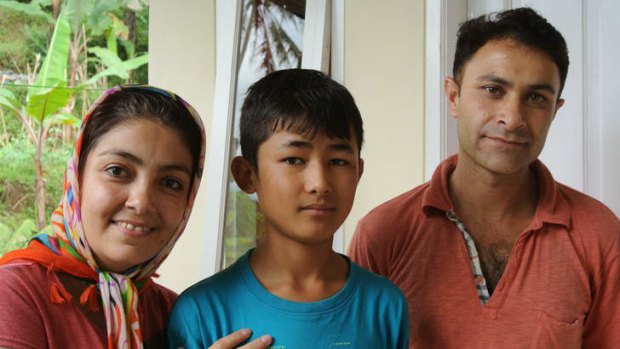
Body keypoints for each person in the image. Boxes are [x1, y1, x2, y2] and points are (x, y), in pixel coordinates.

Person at [348, 7, 620, 349]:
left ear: (555, 110)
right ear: (453, 96)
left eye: (536, 98)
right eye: (493, 89)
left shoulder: (599, 235)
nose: (512, 117)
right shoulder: (383, 235)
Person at [0, 86, 271, 349]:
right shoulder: (14, 294)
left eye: (170, 182)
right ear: (76, 176)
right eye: (117, 171)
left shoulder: (175, 314)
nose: (141, 202)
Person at [167, 69, 410, 349]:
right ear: (247, 175)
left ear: (359, 171)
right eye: (294, 159)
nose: (319, 184)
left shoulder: (385, 306)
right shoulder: (202, 313)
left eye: (339, 161)